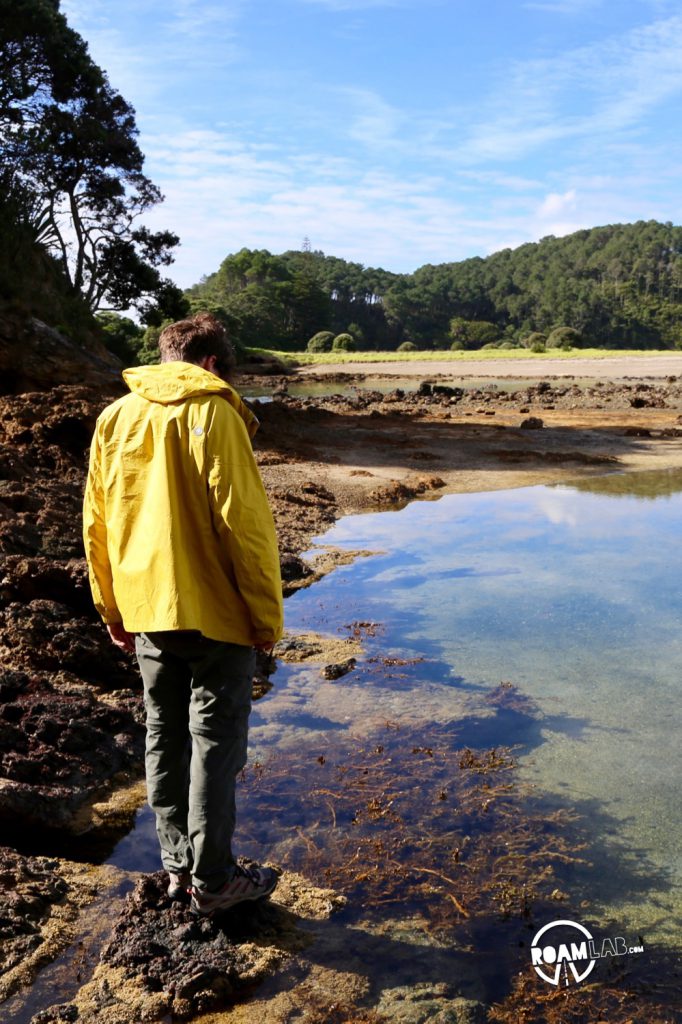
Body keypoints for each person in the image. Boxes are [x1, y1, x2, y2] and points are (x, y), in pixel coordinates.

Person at [83, 312, 283, 916]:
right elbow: (245, 528)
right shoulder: (215, 413)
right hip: (216, 612)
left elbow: (96, 525)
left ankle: (178, 868)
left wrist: (109, 608)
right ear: (213, 364)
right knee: (214, 745)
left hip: (147, 610)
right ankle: (214, 880)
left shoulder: (115, 418)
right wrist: (266, 617)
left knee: (164, 737)